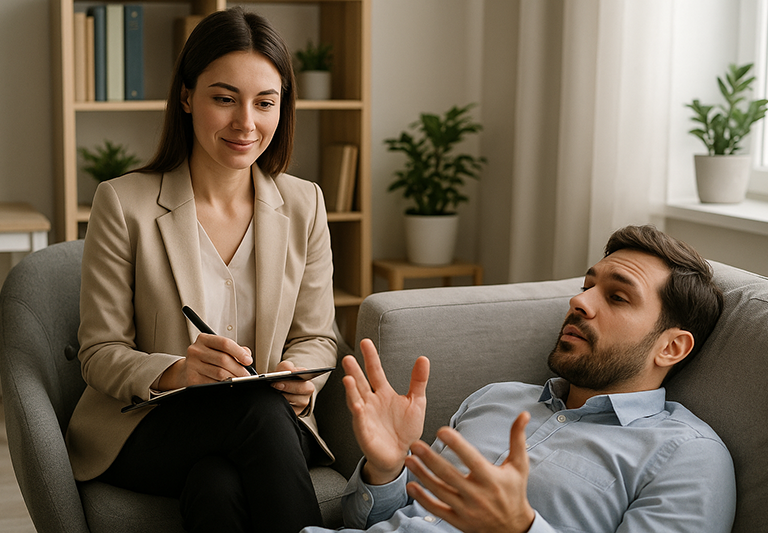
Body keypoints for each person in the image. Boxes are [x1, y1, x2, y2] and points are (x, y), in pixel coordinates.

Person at [65, 8, 337, 533]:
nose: (246, 123)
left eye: (265, 102)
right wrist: (178, 373)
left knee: (217, 485)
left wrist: (301, 379)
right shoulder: (123, 203)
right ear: (187, 97)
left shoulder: (305, 205)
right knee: (254, 414)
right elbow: (99, 354)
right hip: (150, 429)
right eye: (224, 98)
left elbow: (318, 337)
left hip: (266, 430)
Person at [303, 225, 737, 533]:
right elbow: (372, 522)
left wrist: (520, 528)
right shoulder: (498, 398)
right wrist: (386, 468)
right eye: (588, 286)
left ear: (672, 347)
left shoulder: (687, 457)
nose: (579, 301)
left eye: (617, 297)